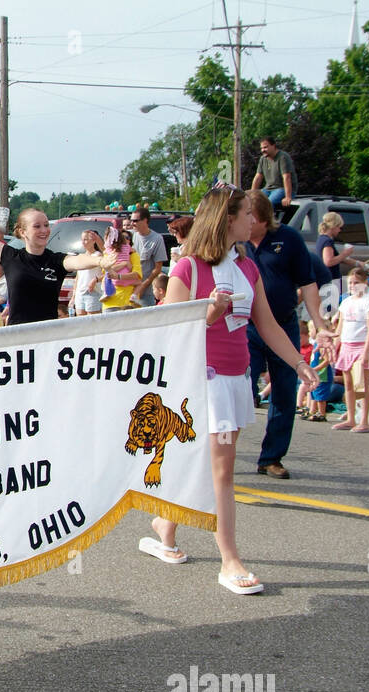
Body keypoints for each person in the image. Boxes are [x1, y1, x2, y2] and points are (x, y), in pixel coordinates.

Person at [139, 186, 318, 595]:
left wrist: (298, 362)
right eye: (245, 215)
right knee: (223, 470)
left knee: (205, 461)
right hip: (204, 381)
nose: (252, 222)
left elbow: (268, 324)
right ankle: (229, 560)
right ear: (227, 219)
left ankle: (164, 527)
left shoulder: (247, 269)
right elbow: (170, 332)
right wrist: (207, 315)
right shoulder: (189, 269)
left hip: (238, 379)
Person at [244, 190, 331, 478]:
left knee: (284, 392)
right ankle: (220, 452)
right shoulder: (236, 240)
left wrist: (319, 324)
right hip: (246, 327)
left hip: (283, 324)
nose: (245, 221)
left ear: (262, 219)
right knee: (239, 388)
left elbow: (308, 285)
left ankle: (271, 458)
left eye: (250, 217)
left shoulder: (289, 239)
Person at [0, 178, 104, 325]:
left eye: (46, 225)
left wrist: (99, 260)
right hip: (19, 338)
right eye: (37, 226)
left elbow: (78, 261)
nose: (44, 230)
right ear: (23, 232)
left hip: (47, 336)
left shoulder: (56, 260)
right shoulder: (11, 257)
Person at [331, 267, 369, 432]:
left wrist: (366, 351)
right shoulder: (346, 302)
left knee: (362, 385)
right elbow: (340, 328)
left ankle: (363, 420)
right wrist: (333, 344)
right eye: (350, 282)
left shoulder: (368, 301)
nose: (352, 285)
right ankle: (350, 418)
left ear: (365, 283)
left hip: (360, 346)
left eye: (356, 283)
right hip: (346, 345)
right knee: (349, 384)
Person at [128, 209, 168, 305]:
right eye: (131, 220)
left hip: (146, 293)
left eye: (135, 220)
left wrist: (142, 286)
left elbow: (157, 268)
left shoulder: (157, 239)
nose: (132, 223)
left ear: (145, 220)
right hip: (127, 289)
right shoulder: (129, 235)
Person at [249, 136, 295, 208]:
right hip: (268, 189)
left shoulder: (283, 157)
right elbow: (258, 177)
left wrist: (288, 197)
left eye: (265, 147)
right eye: (261, 148)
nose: (263, 150)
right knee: (254, 201)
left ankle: (269, 219)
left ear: (273, 146)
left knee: (268, 204)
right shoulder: (263, 159)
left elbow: (287, 177)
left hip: (282, 188)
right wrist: (252, 194)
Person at [70, 230, 104, 317]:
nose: (83, 242)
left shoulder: (98, 255)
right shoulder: (81, 257)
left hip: (93, 292)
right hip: (80, 293)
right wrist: (73, 296)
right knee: (80, 318)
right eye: (82, 239)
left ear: (93, 241)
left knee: (92, 319)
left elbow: (106, 274)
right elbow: (78, 278)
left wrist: (95, 280)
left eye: (86, 239)